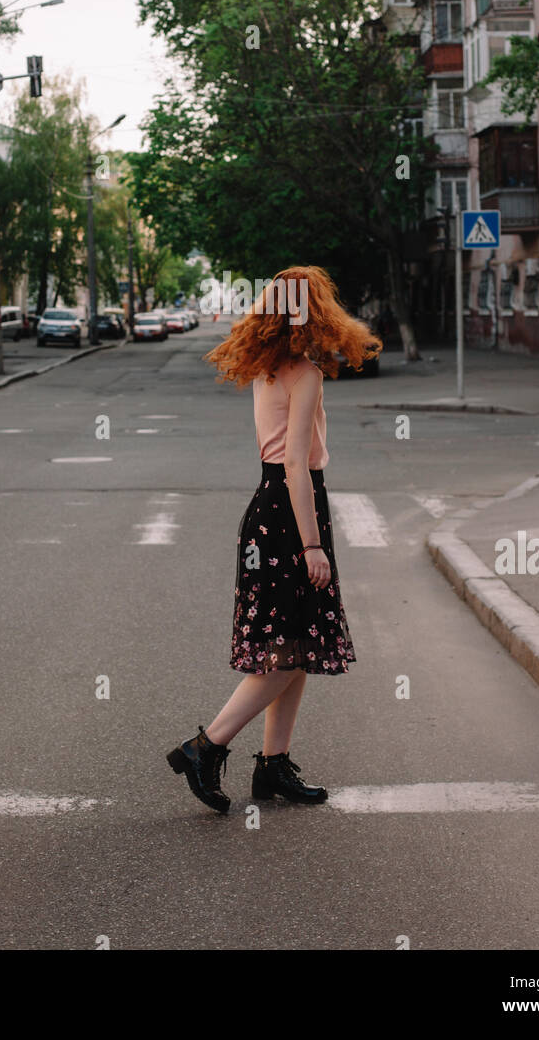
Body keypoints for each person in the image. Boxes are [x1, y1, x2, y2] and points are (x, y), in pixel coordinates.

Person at [166, 266, 381, 814]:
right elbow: (295, 464)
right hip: (290, 510)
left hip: (265, 508)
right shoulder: (303, 374)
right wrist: (312, 545)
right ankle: (205, 746)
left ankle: (273, 766)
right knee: (286, 653)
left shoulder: (266, 371)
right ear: (315, 312)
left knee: (296, 646)